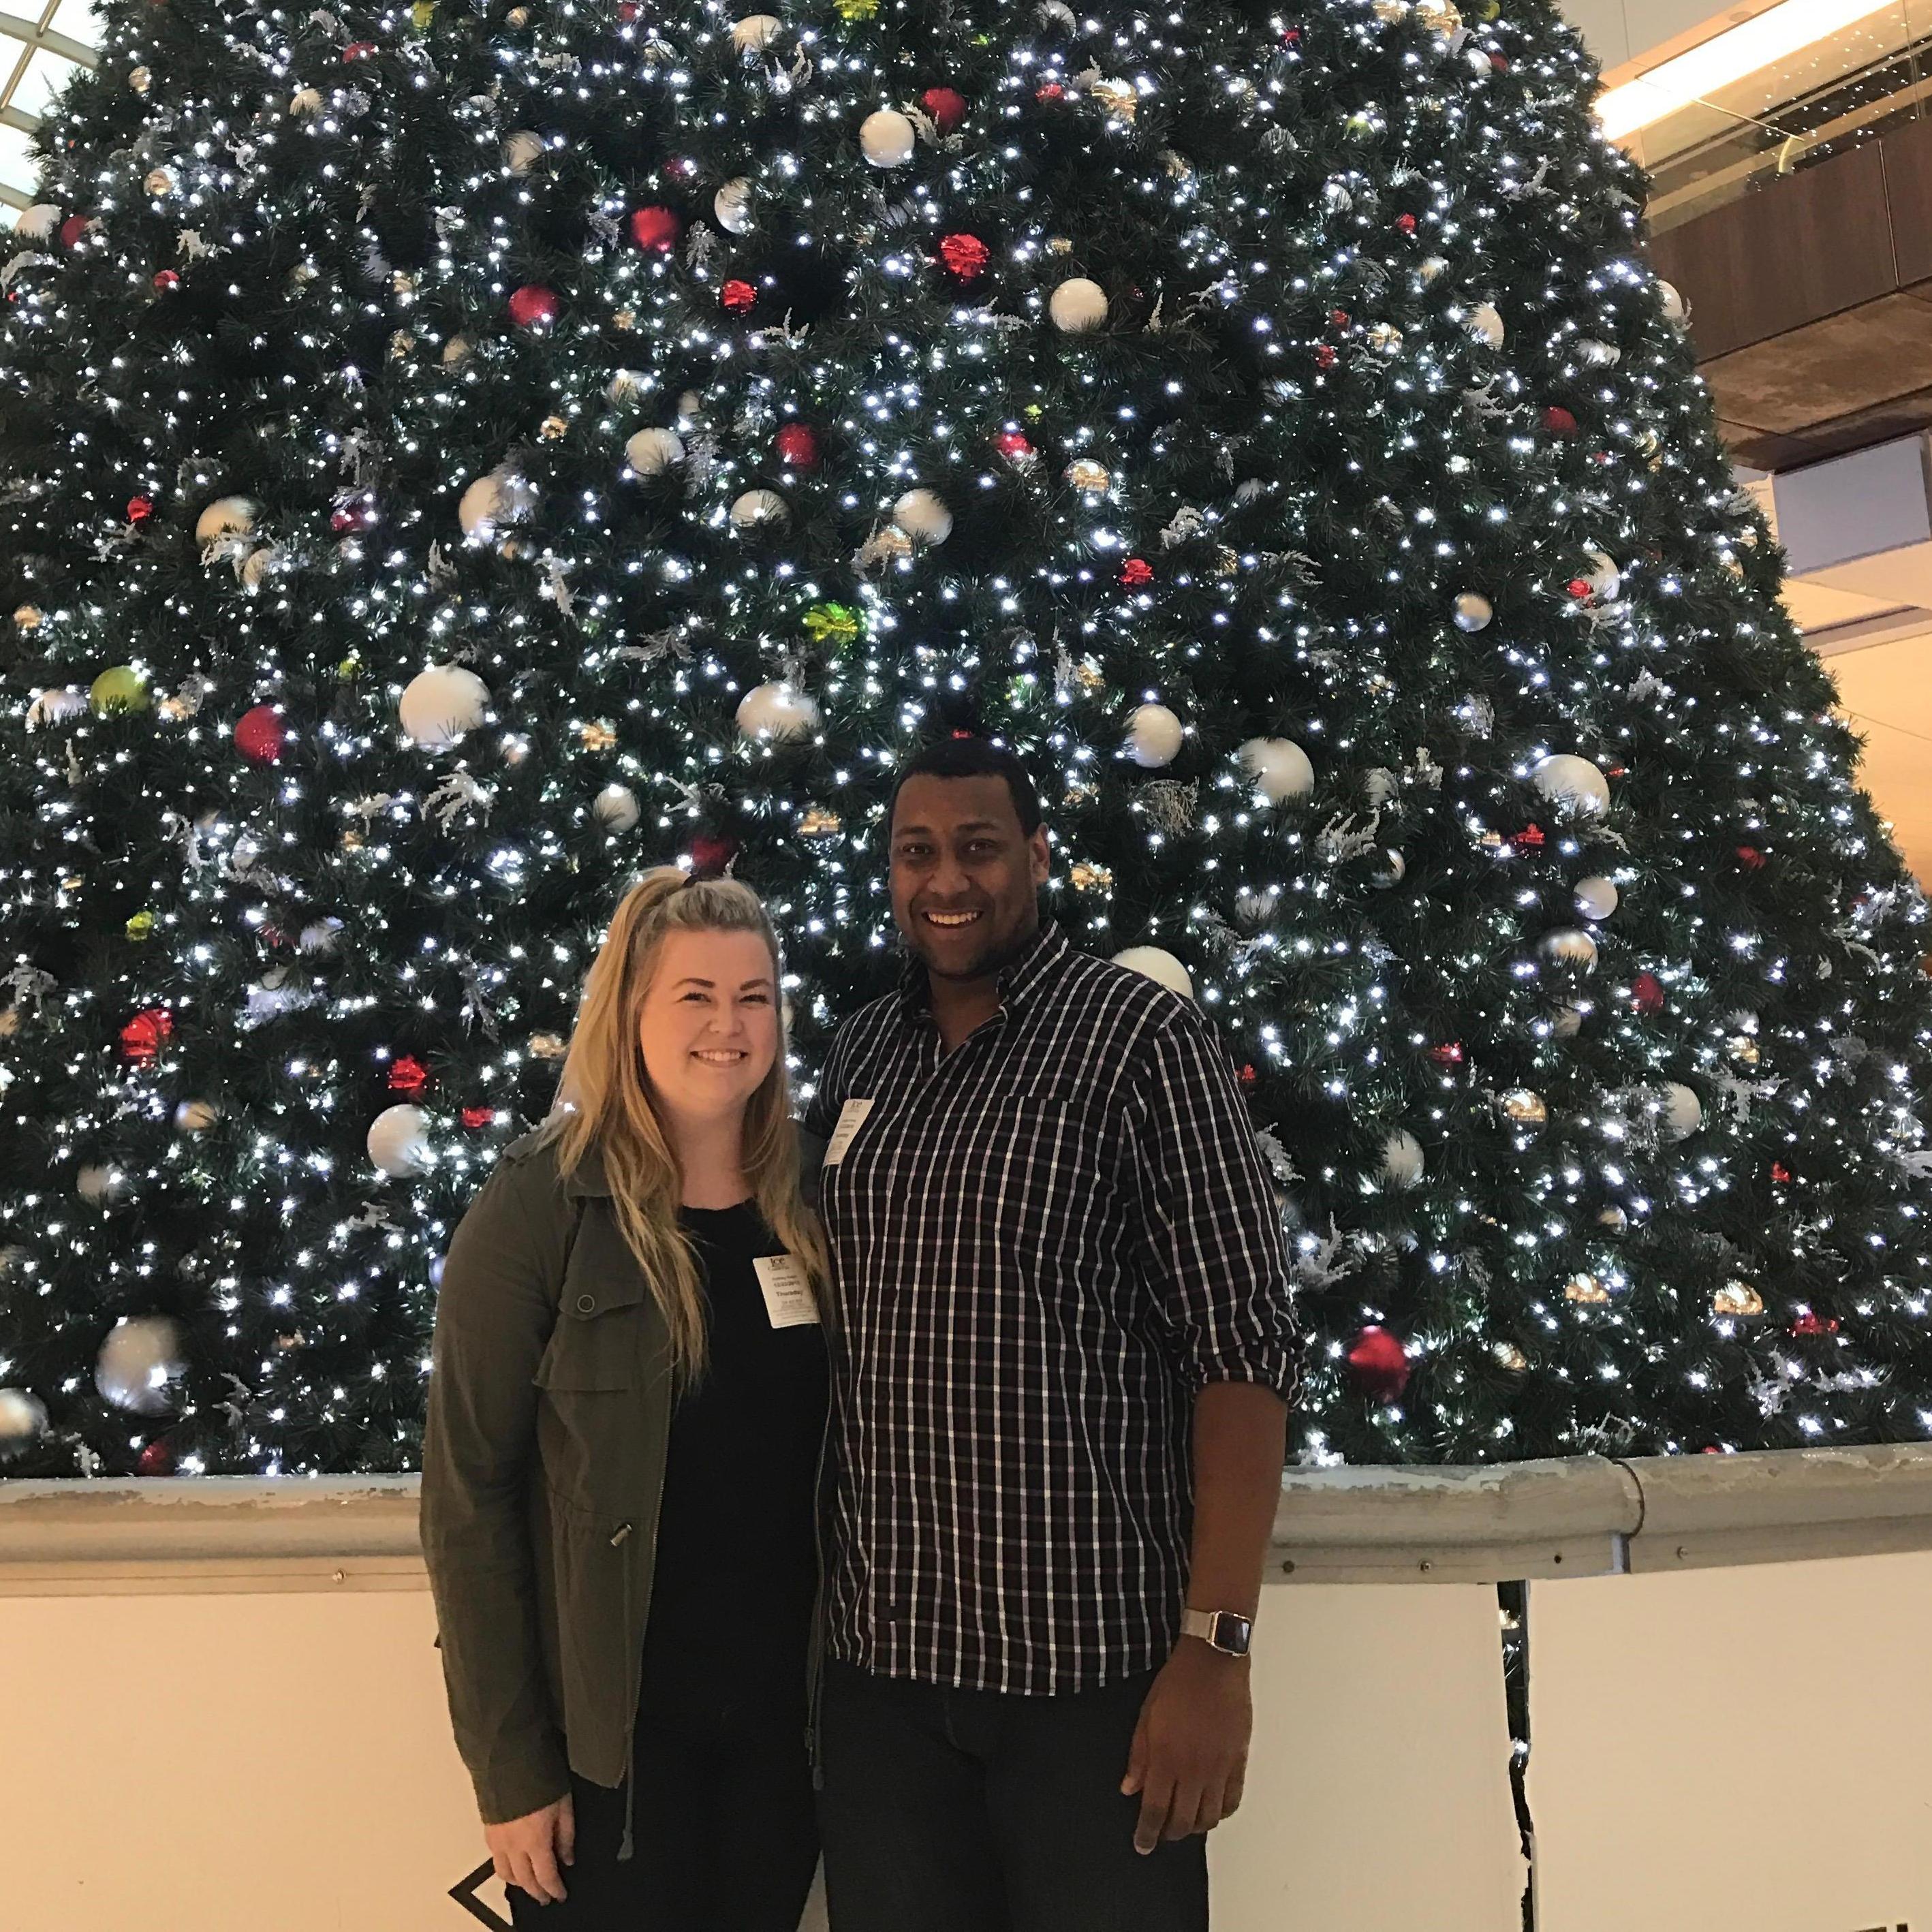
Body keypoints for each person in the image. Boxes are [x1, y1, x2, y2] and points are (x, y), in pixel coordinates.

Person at [806, 736, 1303, 1932]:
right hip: (887, 1682)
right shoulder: (863, 1051)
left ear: (1035, 854)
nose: (947, 881)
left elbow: (1242, 1353)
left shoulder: (1141, 1043)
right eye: (916, 852)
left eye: (979, 848)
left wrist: (1216, 1652)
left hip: (1090, 1688)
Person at [420, 867, 829, 1931]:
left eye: (754, 997)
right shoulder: (539, 1208)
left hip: (784, 1750)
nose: (729, 1026)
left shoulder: (817, 1209)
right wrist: (510, 1773)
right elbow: (468, 1504)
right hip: (609, 1762)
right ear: (631, 1012)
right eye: (694, 995)